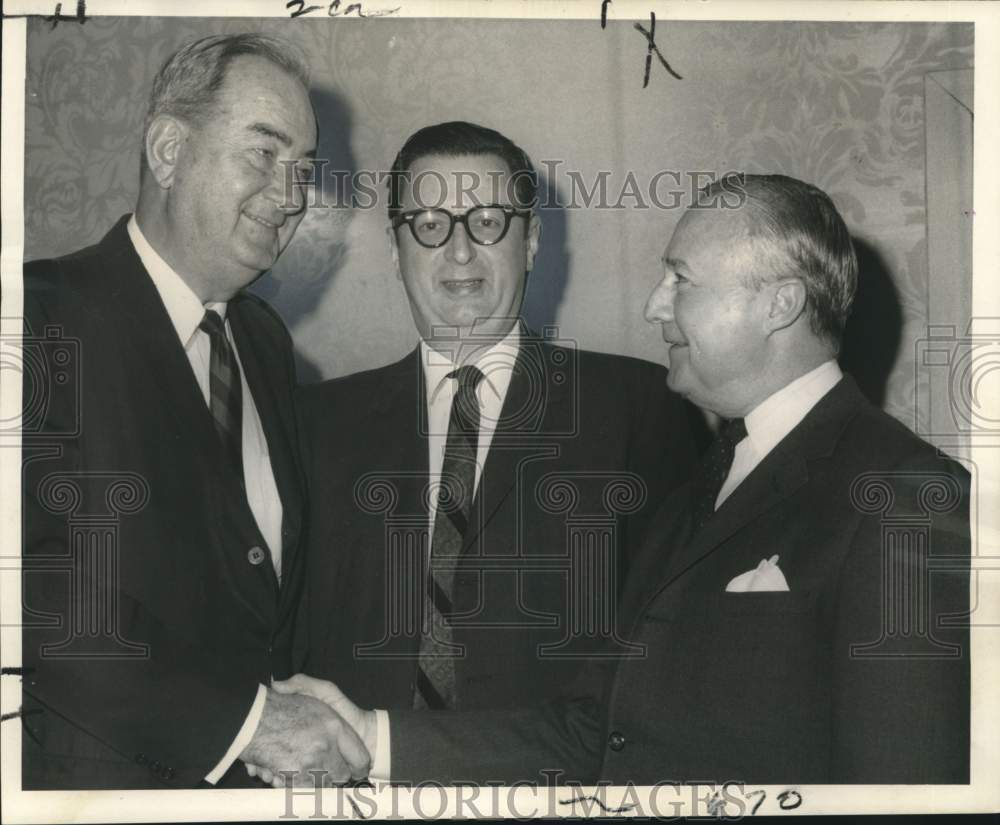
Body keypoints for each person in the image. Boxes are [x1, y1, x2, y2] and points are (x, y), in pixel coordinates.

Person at [274, 173, 970, 785]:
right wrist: (370, 735)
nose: (654, 307)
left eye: (681, 280)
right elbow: (594, 728)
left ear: (779, 304)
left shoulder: (901, 493)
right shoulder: (705, 485)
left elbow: (904, 786)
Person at [20, 33, 367, 789]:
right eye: (264, 154)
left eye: (304, 169)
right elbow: (30, 591)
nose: (292, 195)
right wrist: (251, 724)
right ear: (169, 150)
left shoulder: (266, 343)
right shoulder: (38, 317)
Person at [292, 121, 697, 750]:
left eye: (488, 220)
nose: (459, 251)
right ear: (395, 249)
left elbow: (672, 656)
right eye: (428, 224)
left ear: (531, 240)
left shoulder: (640, 410)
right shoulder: (313, 425)